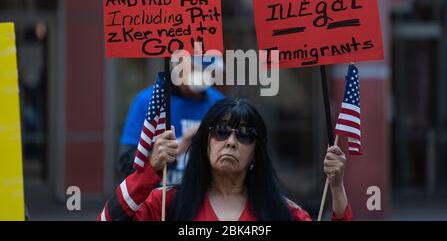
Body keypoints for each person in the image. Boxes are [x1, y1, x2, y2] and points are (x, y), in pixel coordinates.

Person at [100, 98, 352, 221]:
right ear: (205, 143)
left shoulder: (286, 213)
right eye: (220, 131)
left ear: (256, 152)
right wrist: (150, 170)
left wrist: (337, 188)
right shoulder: (165, 203)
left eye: (245, 135)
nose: (231, 141)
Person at [118, 56, 225, 184]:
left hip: (202, 198)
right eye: (195, 68)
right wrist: (176, 148)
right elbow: (126, 164)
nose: (202, 75)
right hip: (157, 198)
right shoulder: (148, 101)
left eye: (210, 71)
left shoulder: (219, 103)